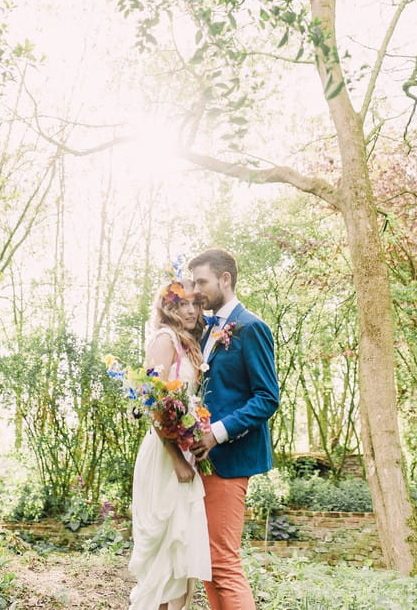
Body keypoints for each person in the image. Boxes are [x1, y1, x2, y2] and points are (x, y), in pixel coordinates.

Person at [188, 248, 279, 610]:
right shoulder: (207, 328)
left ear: (225, 279)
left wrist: (216, 433)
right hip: (203, 460)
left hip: (229, 458)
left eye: (202, 282)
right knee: (207, 564)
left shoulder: (252, 327)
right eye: (193, 282)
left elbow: (266, 397)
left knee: (222, 561)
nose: (196, 290)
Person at [129, 277, 212, 610]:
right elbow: (151, 402)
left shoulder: (189, 343)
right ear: (168, 306)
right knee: (167, 545)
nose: (191, 310)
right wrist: (176, 459)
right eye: (182, 304)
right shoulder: (164, 340)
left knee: (183, 551)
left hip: (185, 451)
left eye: (195, 303)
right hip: (165, 456)